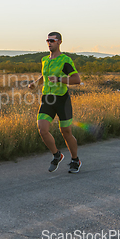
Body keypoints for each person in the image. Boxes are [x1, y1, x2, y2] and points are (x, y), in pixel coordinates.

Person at [28, 32, 82, 173]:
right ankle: (57, 155)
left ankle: (75, 159)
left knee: (66, 132)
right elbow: (45, 76)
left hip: (62, 100)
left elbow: (77, 80)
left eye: (52, 40)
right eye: (47, 40)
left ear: (59, 42)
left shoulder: (65, 60)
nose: (49, 43)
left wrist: (59, 79)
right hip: (47, 99)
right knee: (42, 130)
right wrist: (35, 83)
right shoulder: (45, 60)